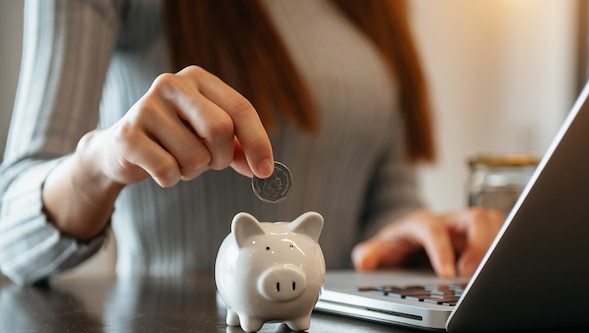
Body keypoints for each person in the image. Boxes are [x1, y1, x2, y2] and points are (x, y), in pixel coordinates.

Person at [0, 0, 503, 285]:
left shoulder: (378, 9)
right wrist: (99, 164)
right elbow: (10, 240)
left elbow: (386, 206)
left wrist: (420, 236)